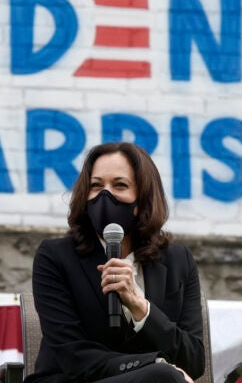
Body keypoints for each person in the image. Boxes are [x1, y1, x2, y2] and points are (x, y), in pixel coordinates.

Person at [25, 142, 205, 382]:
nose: (105, 195)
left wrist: (142, 309)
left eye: (119, 185)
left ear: (142, 199)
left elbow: (193, 360)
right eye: (96, 186)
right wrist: (154, 364)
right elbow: (73, 355)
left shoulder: (178, 261)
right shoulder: (55, 256)